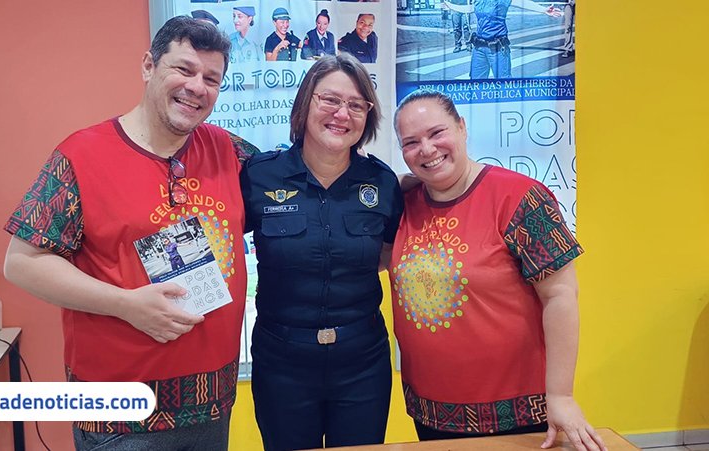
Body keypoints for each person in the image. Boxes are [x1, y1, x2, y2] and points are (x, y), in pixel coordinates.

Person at [3, 15, 258, 451]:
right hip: (121, 414)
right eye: (183, 69)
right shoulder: (81, 155)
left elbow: (296, 185)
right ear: (148, 66)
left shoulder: (229, 151)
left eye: (211, 78)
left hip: (213, 403)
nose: (197, 87)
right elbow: (22, 263)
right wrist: (126, 304)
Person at [389, 89, 606, 451]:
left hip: (516, 412)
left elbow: (561, 296)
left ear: (462, 127)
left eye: (437, 133)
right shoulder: (404, 205)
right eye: (411, 142)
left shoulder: (521, 198)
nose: (426, 149)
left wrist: (561, 396)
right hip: (430, 410)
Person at [240, 53, 403, 451]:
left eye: (356, 105)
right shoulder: (259, 176)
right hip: (281, 362)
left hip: (362, 362)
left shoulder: (382, 183)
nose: (341, 114)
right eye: (330, 99)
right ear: (305, 103)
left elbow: (389, 253)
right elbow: (220, 234)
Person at [444, 0, 560, 79]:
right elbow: (470, 9)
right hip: (479, 49)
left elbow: (521, 2)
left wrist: (543, 10)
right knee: (475, 84)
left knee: (503, 84)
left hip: (498, 49)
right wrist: (450, 6)